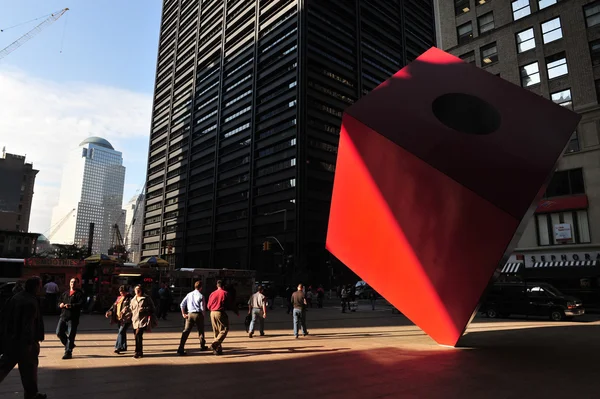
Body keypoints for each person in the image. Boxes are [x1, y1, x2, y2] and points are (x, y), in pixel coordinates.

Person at [0, 276, 47, 399]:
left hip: (12, 340)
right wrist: (30, 343)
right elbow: (28, 325)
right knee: (28, 370)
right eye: (40, 285)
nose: (41, 287)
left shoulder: (17, 297)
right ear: (36, 286)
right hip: (24, 343)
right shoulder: (30, 302)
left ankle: (32, 394)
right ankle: (31, 394)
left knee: (7, 366)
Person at [206, 280, 238, 355]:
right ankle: (215, 343)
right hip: (220, 312)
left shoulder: (212, 293)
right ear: (223, 286)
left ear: (217, 286)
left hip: (212, 313)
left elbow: (208, 306)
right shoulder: (225, 293)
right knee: (224, 329)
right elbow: (230, 304)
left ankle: (217, 350)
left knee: (216, 331)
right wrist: (236, 311)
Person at [56, 277, 84, 360]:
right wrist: (60, 305)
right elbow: (59, 301)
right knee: (59, 332)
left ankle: (68, 352)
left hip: (73, 317)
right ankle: (70, 345)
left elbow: (81, 304)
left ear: (77, 284)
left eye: (75, 282)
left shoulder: (79, 294)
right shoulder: (65, 293)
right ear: (69, 283)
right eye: (71, 282)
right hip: (63, 316)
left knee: (71, 335)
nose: (73, 283)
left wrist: (71, 306)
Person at [177, 280, 207, 355]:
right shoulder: (201, 296)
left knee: (186, 331)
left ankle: (181, 348)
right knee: (201, 331)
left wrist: (183, 314)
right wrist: (203, 315)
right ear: (201, 287)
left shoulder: (189, 294)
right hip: (198, 314)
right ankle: (202, 345)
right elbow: (203, 308)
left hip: (190, 314)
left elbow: (182, 304)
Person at [129, 285, 156, 359]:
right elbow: (130, 308)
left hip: (143, 320)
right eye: (136, 290)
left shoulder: (146, 298)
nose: (137, 291)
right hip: (135, 320)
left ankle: (137, 352)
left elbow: (153, 308)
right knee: (136, 336)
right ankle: (139, 351)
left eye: (139, 290)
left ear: (142, 290)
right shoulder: (133, 299)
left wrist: (144, 309)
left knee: (138, 335)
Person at [105, 285, 132, 354]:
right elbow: (114, 306)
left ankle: (118, 347)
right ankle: (123, 346)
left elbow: (131, 306)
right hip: (119, 317)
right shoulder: (119, 298)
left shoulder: (130, 298)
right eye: (120, 292)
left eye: (123, 292)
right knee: (122, 332)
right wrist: (109, 311)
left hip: (126, 318)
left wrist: (126, 308)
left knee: (121, 331)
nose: (121, 293)